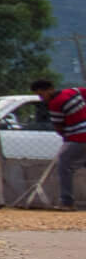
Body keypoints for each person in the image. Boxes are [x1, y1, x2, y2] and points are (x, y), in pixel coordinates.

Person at [33, 75, 86, 210]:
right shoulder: (73, 91)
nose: (41, 98)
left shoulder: (55, 103)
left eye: (41, 94)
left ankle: (67, 202)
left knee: (64, 165)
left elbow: (59, 127)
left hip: (78, 138)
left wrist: (66, 137)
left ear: (50, 89)